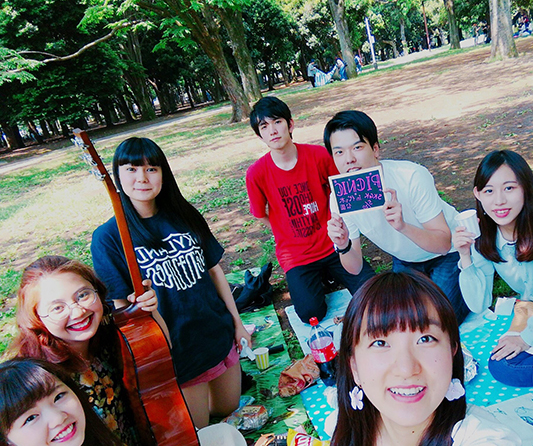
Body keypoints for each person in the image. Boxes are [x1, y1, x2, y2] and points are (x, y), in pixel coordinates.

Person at [329, 271, 530, 446]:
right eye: (380, 343)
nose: (406, 368)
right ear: (354, 367)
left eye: (425, 339)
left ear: (453, 351)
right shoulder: (345, 434)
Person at [91, 137, 251, 429]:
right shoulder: (109, 238)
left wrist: (237, 323)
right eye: (131, 169)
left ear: (164, 173)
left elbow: (215, 272)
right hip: (175, 350)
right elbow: (120, 309)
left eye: (152, 169)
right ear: (117, 175)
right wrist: (139, 308)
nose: (142, 178)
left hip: (214, 330)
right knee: (199, 430)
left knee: (230, 405)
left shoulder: (184, 215)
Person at [9, 256, 185, 446]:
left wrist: (147, 316)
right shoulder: (38, 378)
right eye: (57, 308)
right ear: (37, 319)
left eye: (82, 295)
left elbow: (160, 356)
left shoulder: (109, 335)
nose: (78, 311)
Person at [324, 110, 469, 324]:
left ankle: (474, 267)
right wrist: (343, 244)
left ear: (375, 149)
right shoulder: (340, 198)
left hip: (450, 252)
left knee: (440, 320)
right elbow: (354, 268)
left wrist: (403, 226)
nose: (350, 159)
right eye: (339, 152)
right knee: (401, 320)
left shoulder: (411, 177)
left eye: (357, 147)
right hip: (406, 260)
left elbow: (442, 243)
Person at [246, 97, 374, 323]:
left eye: (277, 122)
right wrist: (282, 228)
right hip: (297, 255)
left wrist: (340, 224)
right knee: (310, 314)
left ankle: (328, 273)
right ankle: (319, 279)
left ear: (290, 124)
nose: (273, 131)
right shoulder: (256, 173)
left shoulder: (318, 156)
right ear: (259, 135)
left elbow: (342, 190)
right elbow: (260, 214)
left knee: (373, 293)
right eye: (264, 127)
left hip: (333, 243)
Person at [454, 150, 533, 392]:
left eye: (509, 188)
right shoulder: (483, 234)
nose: (499, 201)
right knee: (503, 366)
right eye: (489, 191)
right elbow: (478, 303)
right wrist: (466, 256)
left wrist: (526, 337)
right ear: (478, 194)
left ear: (526, 188)